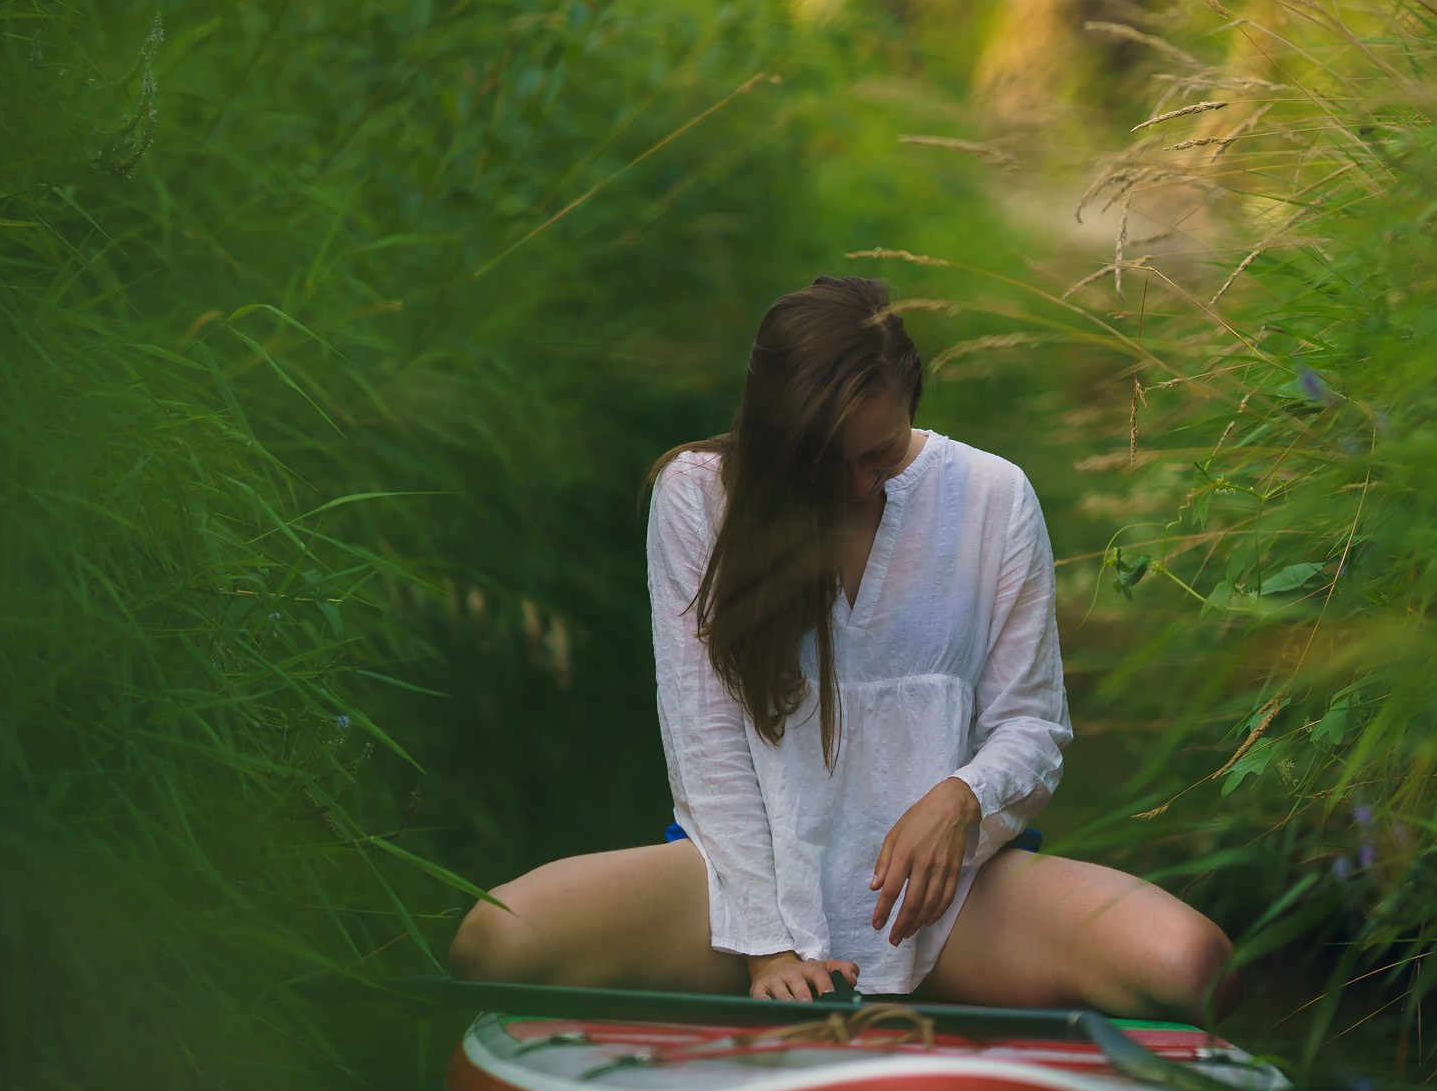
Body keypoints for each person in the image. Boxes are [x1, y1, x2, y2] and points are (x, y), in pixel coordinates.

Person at [450, 276, 1230, 1015]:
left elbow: (1033, 725)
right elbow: (706, 741)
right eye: (828, 465)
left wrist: (962, 797)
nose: (858, 487)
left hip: (946, 902)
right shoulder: (698, 495)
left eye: (880, 456)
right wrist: (770, 947)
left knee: (1184, 960)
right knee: (496, 940)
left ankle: (941, 990)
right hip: (737, 890)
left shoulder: (995, 494)